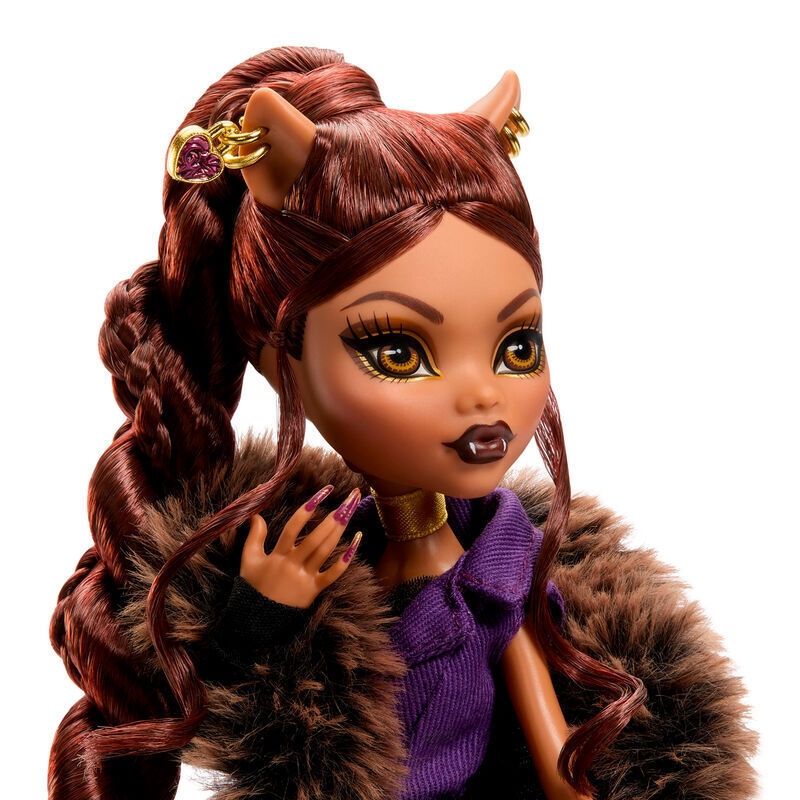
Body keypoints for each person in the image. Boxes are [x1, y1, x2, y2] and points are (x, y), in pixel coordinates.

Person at [49, 46, 758, 800]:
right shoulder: (317, 552)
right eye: (397, 351)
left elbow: (555, 756)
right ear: (276, 359)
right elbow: (216, 706)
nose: (482, 397)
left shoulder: (495, 571)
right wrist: (261, 612)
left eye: (517, 346)